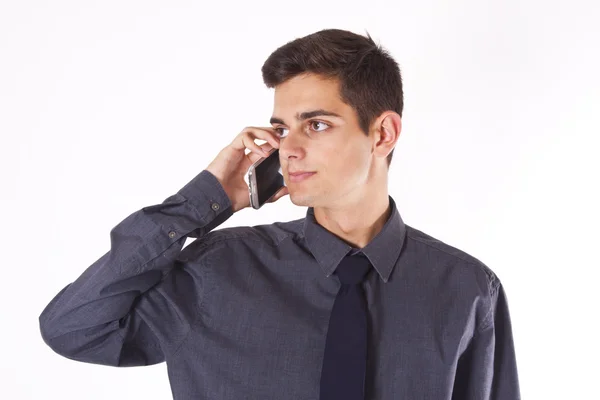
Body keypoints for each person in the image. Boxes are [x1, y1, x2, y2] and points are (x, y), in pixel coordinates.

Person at [39, 28, 521, 399]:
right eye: (280, 128)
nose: (287, 148)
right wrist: (202, 202)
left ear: (382, 134)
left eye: (316, 124)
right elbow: (73, 329)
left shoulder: (467, 290)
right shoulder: (217, 271)